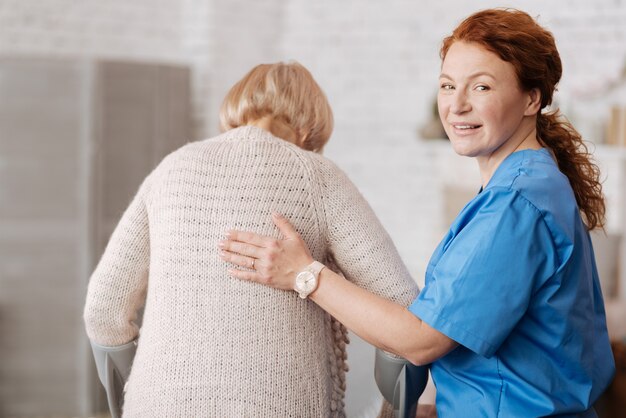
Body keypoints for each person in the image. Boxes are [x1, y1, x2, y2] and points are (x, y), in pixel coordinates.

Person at [219, 9, 616, 417]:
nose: (456, 106)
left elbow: (422, 339)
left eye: (480, 87)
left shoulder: (515, 204)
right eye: (447, 86)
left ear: (531, 98)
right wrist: (440, 401)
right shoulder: (528, 182)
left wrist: (304, 274)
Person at [83, 61, 418, 417]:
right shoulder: (319, 178)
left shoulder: (171, 169)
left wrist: (136, 399)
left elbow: (104, 310)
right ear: (310, 125)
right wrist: (396, 409)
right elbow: (403, 305)